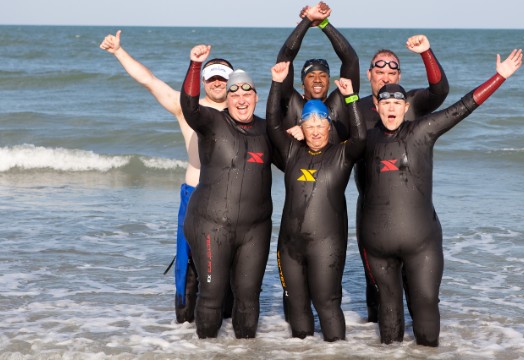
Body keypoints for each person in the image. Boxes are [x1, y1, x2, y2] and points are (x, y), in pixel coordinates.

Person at [359, 49, 523, 346]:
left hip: (421, 242)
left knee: (425, 312)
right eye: (386, 103)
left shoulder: (423, 130)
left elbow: (463, 106)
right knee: (389, 327)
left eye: (397, 102)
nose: (392, 108)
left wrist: (499, 77)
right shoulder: (364, 138)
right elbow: (322, 142)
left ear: (406, 106)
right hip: (377, 245)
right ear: (378, 108)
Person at [99, 30, 234, 324]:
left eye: (223, 78)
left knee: (229, 268)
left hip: (230, 201)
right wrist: (119, 52)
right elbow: (149, 81)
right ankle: (182, 332)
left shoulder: (242, 112)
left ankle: (227, 341)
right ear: (203, 81)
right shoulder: (187, 109)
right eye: (212, 78)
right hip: (195, 195)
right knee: (188, 266)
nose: (217, 83)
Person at [267, 61, 366, 341]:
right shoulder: (290, 153)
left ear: (329, 125)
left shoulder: (341, 156)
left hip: (328, 246)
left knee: (327, 304)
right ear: (301, 127)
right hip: (289, 246)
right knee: (297, 307)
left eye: (320, 122)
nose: (315, 129)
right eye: (308, 123)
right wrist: (276, 84)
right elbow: (273, 122)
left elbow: (360, 136)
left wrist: (351, 97)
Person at [180, 44, 274, 339]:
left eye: (248, 94)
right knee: (211, 294)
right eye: (235, 94)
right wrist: (195, 65)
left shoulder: (268, 130)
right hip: (210, 224)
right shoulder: (212, 123)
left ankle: (245, 353)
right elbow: (189, 106)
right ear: (227, 99)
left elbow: (301, 159)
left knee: (248, 297)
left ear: (257, 97)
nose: (242, 100)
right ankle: (207, 352)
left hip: (255, 230)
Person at [355, 34, 450, 323]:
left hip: (411, 213)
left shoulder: (411, 103)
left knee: (417, 288)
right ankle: (375, 346)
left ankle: (416, 344)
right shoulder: (355, 110)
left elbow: (440, 90)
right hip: (370, 213)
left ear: (399, 75)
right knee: (377, 290)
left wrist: (426, 53)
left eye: (392, 72)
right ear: (368, 74)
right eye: (379, 71)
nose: (385, 77)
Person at [276, 2, 360, 143]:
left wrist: (323, 23)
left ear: (328, 81)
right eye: (311, 76)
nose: (317, 80)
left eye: (322, 75)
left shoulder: (340, 104)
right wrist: (307, 20)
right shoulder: (292, 104)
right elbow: (284, 59)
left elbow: (351, 60)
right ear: (302, 84)